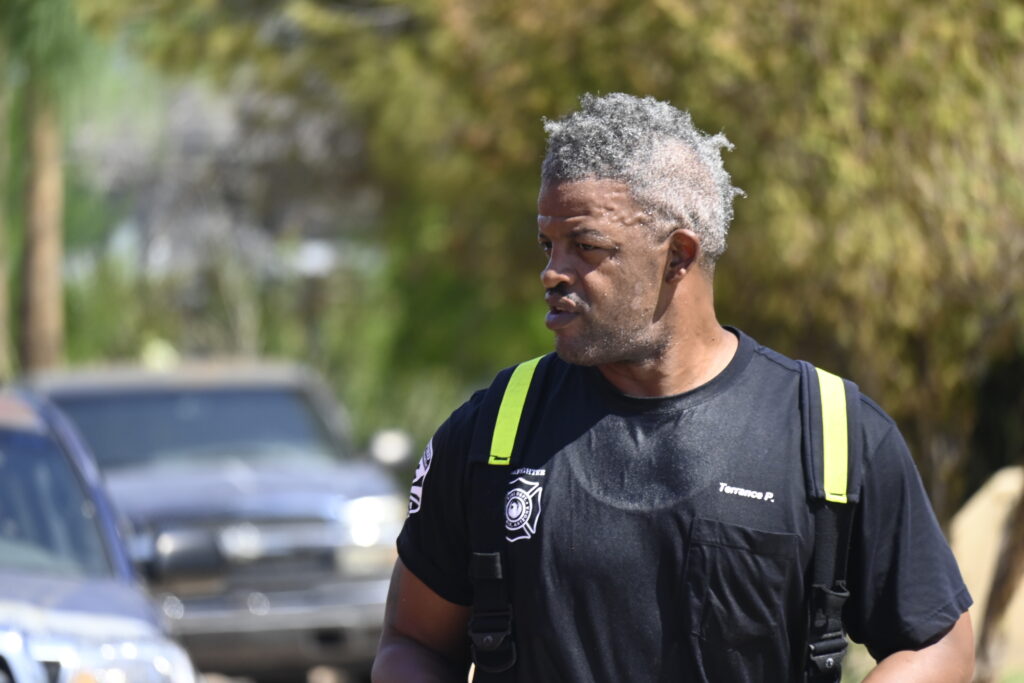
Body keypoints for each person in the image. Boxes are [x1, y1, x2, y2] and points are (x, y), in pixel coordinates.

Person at [372, 93, 974, 682]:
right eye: (547, 245)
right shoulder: (491, 435)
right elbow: (413, 643)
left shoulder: (831, 434)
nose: (552, 272)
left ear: (678, 255)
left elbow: (936, 641)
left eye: (586, 246)